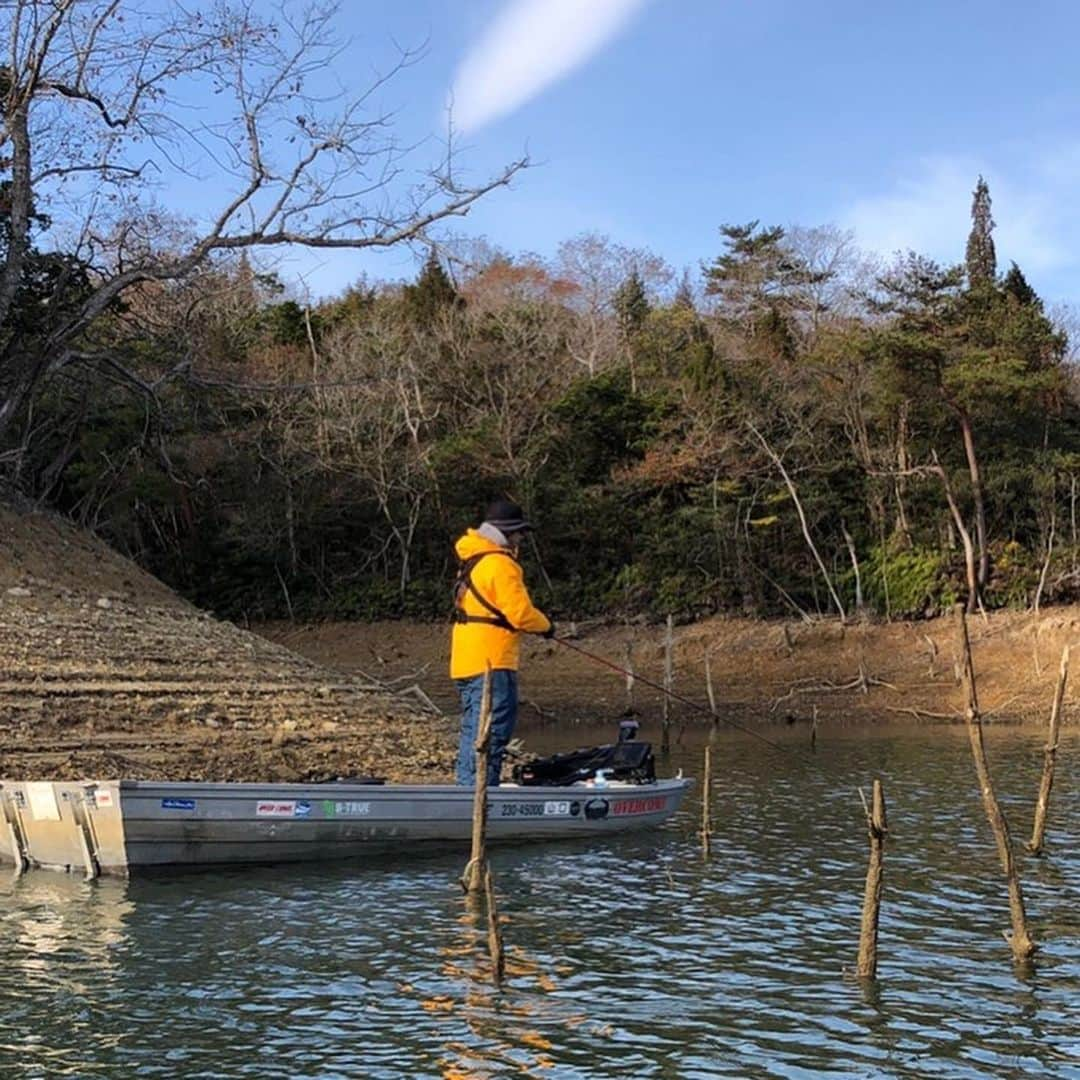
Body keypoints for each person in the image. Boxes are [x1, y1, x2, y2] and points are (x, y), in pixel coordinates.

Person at [450, 499, 554, 786]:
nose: (521, 538)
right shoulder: (500, 563)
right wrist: (547, 626)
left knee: (474, 728)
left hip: (466, 661)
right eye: (519, 532)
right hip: (492, 660)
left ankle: (468, 787)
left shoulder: (473, 559)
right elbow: (520, 613)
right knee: (492, 730)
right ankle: (480, 792)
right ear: (505, 532)